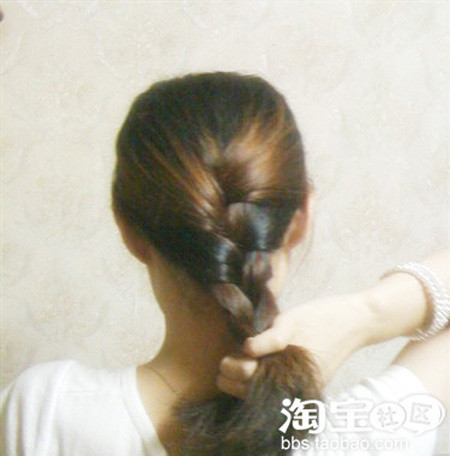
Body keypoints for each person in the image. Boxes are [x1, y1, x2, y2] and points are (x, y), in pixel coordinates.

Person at [1, 72, 449, 456]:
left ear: (129, 230)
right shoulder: (371, 433)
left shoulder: (45, 408)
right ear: (301, 219)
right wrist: (362, 316)